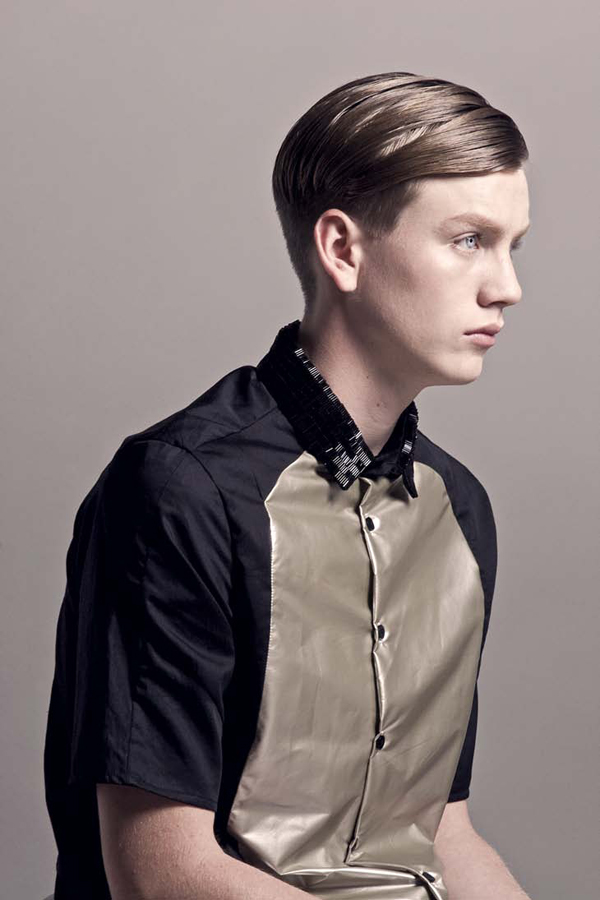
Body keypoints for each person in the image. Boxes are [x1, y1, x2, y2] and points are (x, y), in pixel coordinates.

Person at [44, 71, 533, 899]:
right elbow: (163, 874)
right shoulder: (180, 489)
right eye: (468, 240)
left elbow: (442, 830)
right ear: (342, 249)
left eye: (513, 246)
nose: (507, 287)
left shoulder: (461, 508)